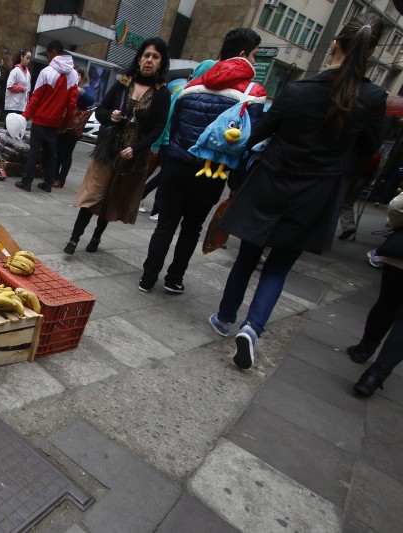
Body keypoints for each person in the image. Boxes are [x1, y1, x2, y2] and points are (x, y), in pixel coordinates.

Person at [207, 14, 387, 370]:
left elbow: (260, 134)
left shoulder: (299, 89)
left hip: (272, 181)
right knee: (278, 268)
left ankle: (225, 318)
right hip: (317, 193)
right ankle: (253, 328)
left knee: (247, 256)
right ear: (372, 51)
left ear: (334, 44)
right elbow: (368, 153)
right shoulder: (373, 97)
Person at [139, 28, 267, 294]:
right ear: (243, 54)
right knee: (191, 227)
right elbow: (250, 141)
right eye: (254, 55)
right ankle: (174, 279)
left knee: (165, 225)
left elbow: (173, 128)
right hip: (212, 172)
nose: (255, 61)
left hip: (176, 165)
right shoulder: (253, 92)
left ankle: (147, 278)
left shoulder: (191, 86)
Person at [63, 39, 171, 254]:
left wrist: (137, 148)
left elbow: (158, 129)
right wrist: (110, 115)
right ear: (139, 58)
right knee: (93, 193)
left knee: (112, 198)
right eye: (146, 55)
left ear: (161, 63)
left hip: (132, 157)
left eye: (155, 57)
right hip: (107, 150)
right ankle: (74, 239)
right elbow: (101, 110)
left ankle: (96, 237)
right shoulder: (124, 83)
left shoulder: (162, 93)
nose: (149, 60)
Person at [141, 61, 217, 222]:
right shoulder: (185, 91)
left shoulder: (198, 92)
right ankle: (156, 209)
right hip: (169, 142)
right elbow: (167, 117)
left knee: (163, 175)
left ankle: (144, 198)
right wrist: (157, 142)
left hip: (174, 143)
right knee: (162, 175)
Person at [348, 191, 403, 396]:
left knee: (387, 302)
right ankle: (374, 376)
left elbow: (398, 206)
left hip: (400, 258)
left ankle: (364, 349)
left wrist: (395, 225)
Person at [14, 40, 78, 193]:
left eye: (48, 54)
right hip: (55, 123)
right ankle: (48, 183)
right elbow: (72, 105)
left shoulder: (46, 72)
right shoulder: (74, 75)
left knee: (34, 151)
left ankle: (26, 182)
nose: (48, 58)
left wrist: (25, 117)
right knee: (51, 154)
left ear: (53, 52)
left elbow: (35, 98)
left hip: (40, 119)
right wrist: (65, 123)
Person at [53, 65, 95, 188]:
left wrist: (79, 90)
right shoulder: (69, 86)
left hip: (74, 126)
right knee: (58, 150)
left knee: (67, 153)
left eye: (78, 75)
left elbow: (90, 100)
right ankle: (54, 175)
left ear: (82, 76)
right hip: (63, 123)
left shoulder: (85, 88)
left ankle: (61, 179)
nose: (75, 77)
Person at [337, 151, 380, 240]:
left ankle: (347, 227)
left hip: (348, 176)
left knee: (336, 201)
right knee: (347, 203)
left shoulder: (355, 148)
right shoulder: (375, 154)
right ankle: (348, 226)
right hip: (361, 180)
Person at [4, 49, 31, 116]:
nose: (28, 60)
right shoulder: (15, 71)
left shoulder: (28, 73)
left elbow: (27, 91)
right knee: (10, 125)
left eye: (29, 59)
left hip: (21, 106)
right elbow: (9, 86)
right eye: (27, 58)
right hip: (13, 104)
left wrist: (27, 103)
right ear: (22, 57)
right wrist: (21, 88)